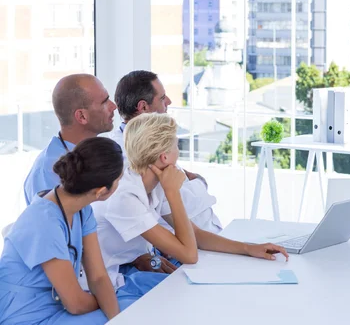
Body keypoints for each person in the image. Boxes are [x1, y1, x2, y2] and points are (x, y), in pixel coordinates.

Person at [94, 113, 288, 284]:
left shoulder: (152, 182)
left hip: (123, 269)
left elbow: (195, 234)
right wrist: (173, 192)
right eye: (176, 146)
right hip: (102, 280)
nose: (178, 152)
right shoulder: (126, 196)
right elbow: (189, 254)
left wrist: (248, 248)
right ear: (164, 157)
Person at [0, 138, 165, 325]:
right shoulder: (44, 222)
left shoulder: (82, 210)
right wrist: (108, 305)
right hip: (25, 316)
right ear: (101, 191)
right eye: (120, 179)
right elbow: (75, 304)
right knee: (139, 314)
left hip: (57, 306)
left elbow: (99, 277)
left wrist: (115, 316)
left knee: (139, 309)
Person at [105, 70, 222, 234]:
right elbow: (183, 200)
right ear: (143, 107)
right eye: (162, 98)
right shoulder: (127, 152)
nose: (168, 101)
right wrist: (200, 183)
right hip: (186, 241)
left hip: (203, 234)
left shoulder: (152, 139)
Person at [23, 74, 117, 205]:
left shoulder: (93, 156)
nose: (114, 107)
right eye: (105, 102)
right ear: (82, 116)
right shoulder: (48, 172)